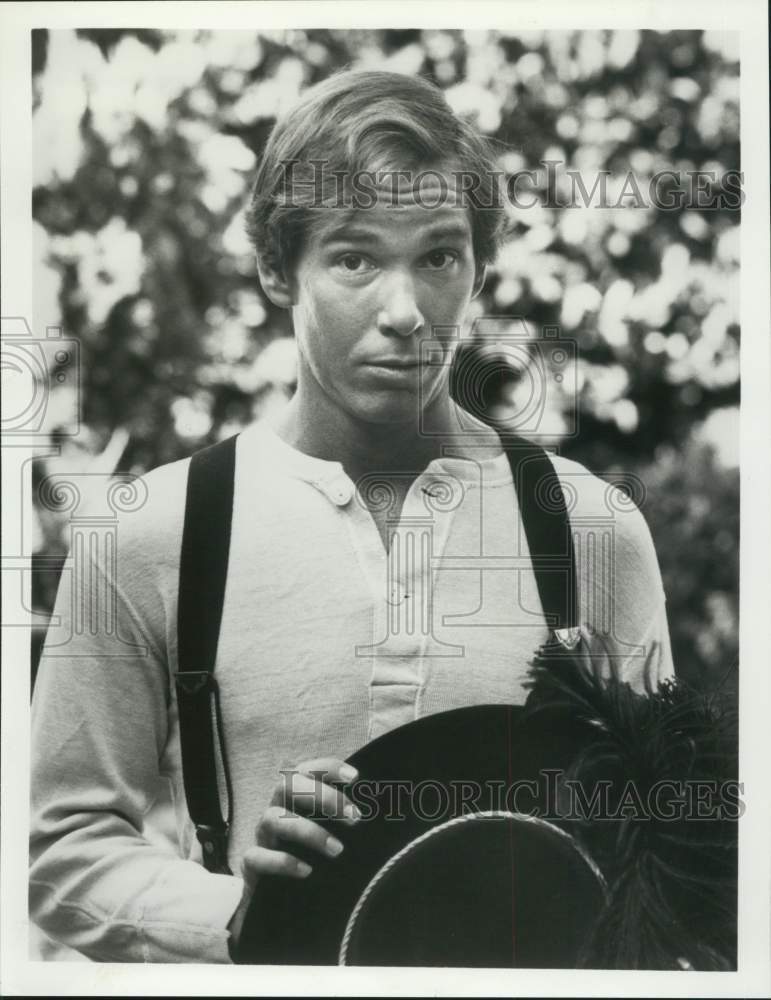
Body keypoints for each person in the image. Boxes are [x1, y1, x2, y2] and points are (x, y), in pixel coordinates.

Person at [29, 68, 674, 963]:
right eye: (354, 258)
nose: (405, 313)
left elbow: (676, 850)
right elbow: (60, 849)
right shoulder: (149, 535)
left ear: (480, 267)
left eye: (439, 256)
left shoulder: (590, 528)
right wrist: (234, 914)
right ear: (274, 269)